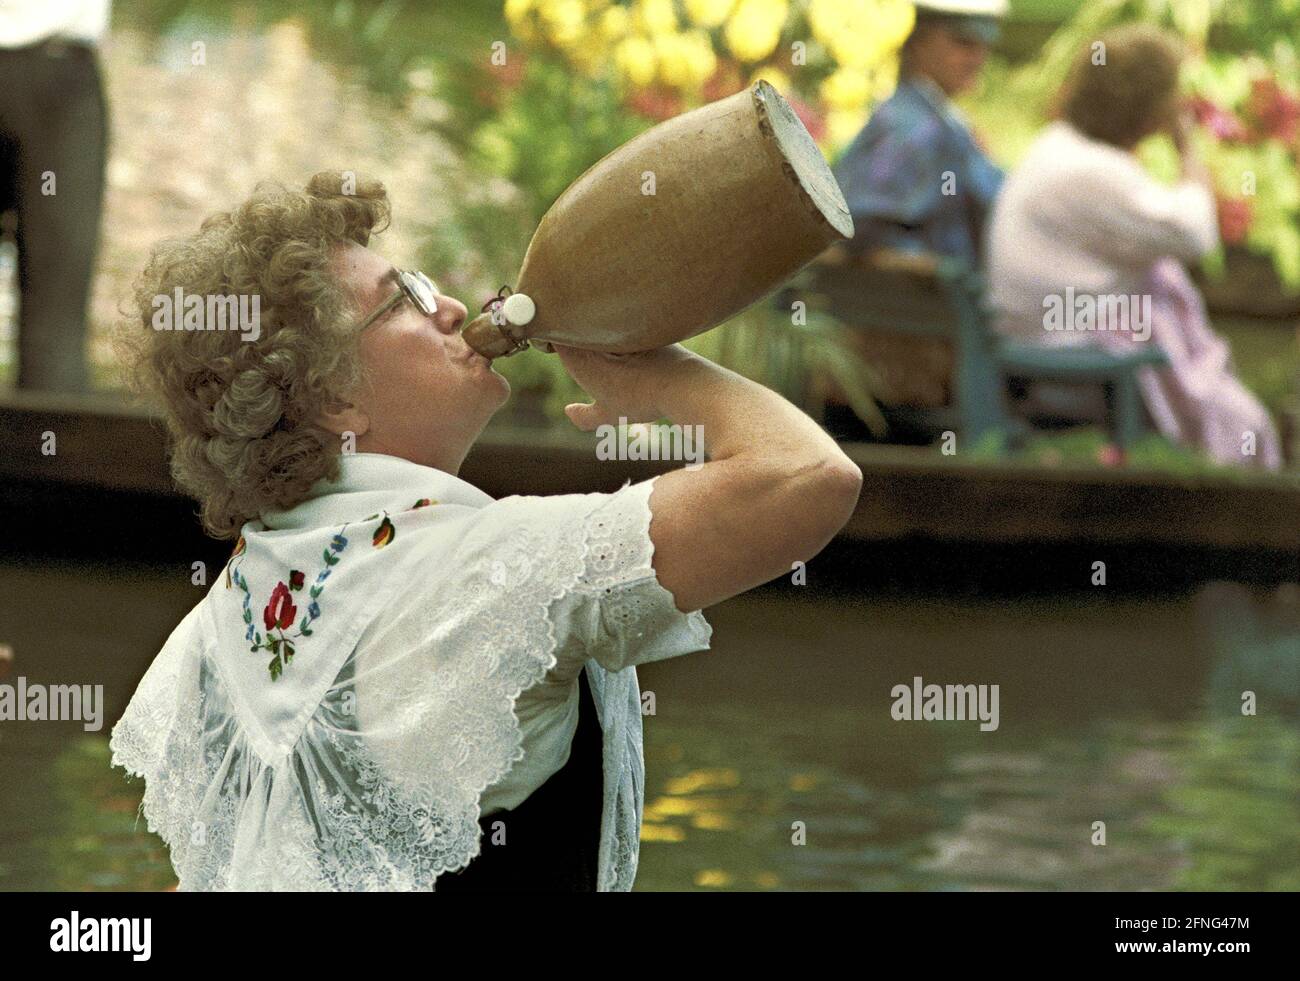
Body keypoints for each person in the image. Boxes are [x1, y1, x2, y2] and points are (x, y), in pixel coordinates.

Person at [108, 171, 863, 891]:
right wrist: (659, 374)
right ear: (334, 397)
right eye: (403, 297)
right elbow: (807, 477)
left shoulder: (221, 623)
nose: (449, 307)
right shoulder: (488, 567)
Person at [986, 24, 1283, 470]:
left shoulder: (1062, 147)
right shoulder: (1089, 169)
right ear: (1148, 109)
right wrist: (1186, 149)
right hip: (1062, 345)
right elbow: (1195, 234)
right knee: (1244, 420)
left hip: (1042, 331)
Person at [831, 0, 1006, 268]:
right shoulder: (914, 127)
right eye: (963, 43)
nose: (977, 59)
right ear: (919, 43)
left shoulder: (935, 117)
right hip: (934, 304)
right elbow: (862, 225)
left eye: (984, 46)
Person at [0, 0, 111, 392]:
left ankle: (45, 449)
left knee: (56, 347)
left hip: (63, 78)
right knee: (55, 336)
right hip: (63, 76)